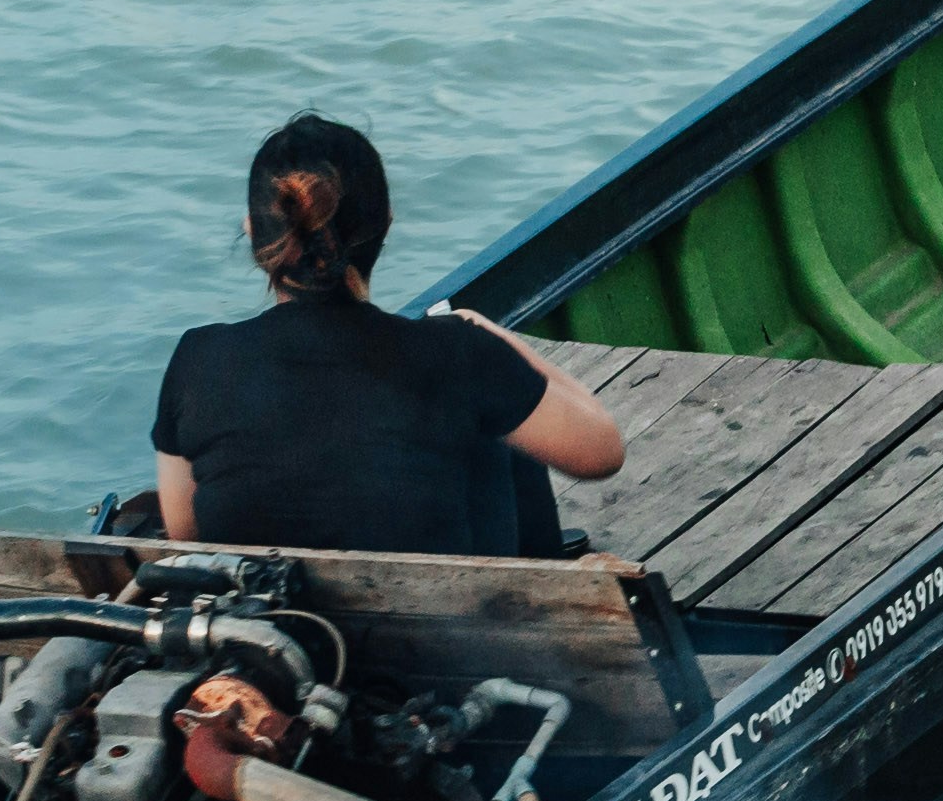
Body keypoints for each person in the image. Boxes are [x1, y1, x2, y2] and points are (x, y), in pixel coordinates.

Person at [150, 115, 627, 556]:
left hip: (271, 637)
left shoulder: (198, 358)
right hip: (453, 638)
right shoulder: (456, 350)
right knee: (493, 408)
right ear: (386, 224)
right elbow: (602, 452)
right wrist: (490, 337)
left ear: (255, 233)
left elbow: (185, 534)